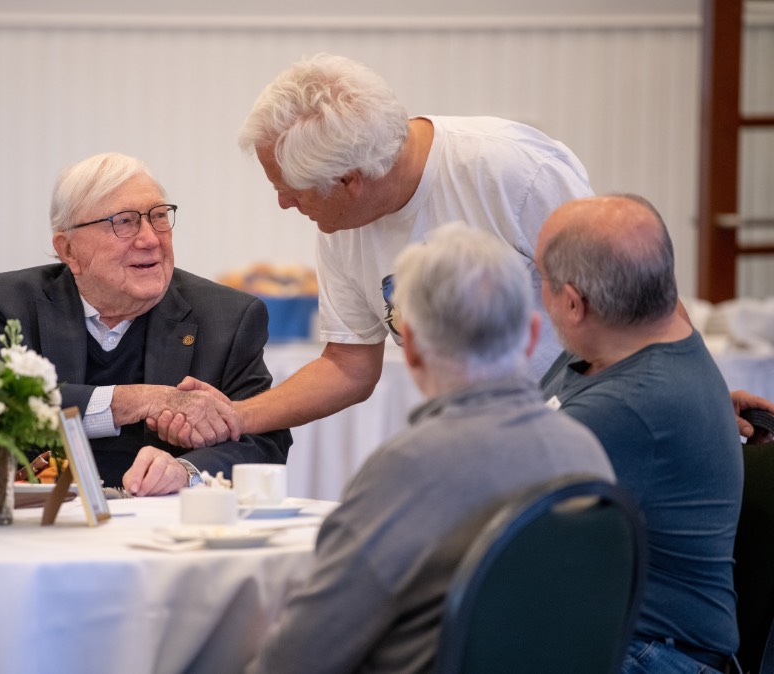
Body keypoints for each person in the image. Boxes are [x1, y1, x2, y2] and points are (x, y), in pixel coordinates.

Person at [154, 52, 595, 446]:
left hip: (579, 423)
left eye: (291, 191)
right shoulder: (341, 219)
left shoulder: (513, 171)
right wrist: (236, 416)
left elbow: (610, 315)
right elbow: (350, 365)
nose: (284, 203)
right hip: (475, 430)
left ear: (350, 181)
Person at [247, 222, 615, 673]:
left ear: (413, 348)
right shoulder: (585, 452)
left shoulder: (407, 469)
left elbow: (300, 656)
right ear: (532, 335)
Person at [0, 152, 291, 496]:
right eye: (124, 222)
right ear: (69, 250)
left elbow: (264, 441)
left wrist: (186, 471)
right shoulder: (9, 302)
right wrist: (141, 401)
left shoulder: (228, 316)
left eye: (159, 216)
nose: (150, 239)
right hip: (49, 515)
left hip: (167, 519)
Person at [537, 194, 742, 674]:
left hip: (653, 652)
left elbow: (497, 520)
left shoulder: (625, 405)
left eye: (541, 278)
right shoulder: (630, 336)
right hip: (628, 629)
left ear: (573, 303)